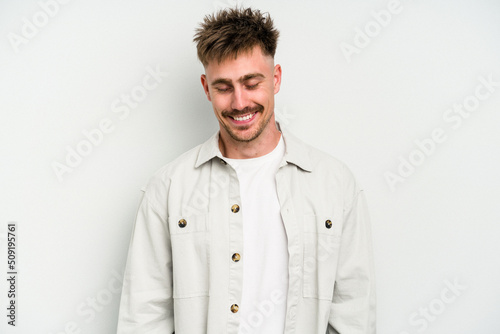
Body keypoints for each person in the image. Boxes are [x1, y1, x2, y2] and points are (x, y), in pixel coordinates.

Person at [117, 7, 375, 334]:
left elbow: (354, 312)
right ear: (206, 88)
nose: (239, 103)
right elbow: (144, 314)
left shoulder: (335, 184)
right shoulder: (168, 188)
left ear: (276, 78)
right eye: (224, 87)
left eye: (251, 83)